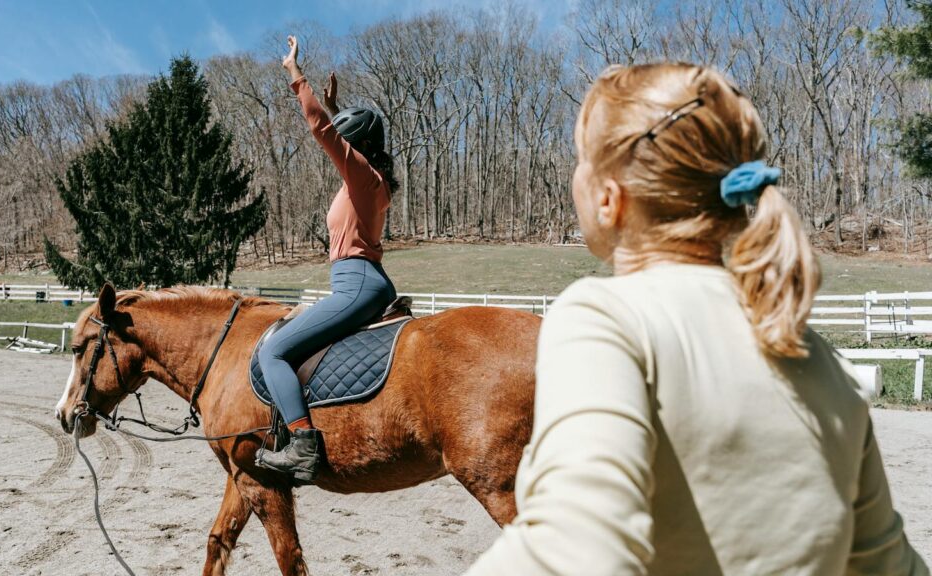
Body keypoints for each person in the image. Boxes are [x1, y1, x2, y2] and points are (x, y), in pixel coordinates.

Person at [465, 63, 929, 575]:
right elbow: (891, 565)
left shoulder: (606, 319)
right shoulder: (821, 359)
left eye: (581, 159)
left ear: (608, 199)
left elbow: (575, 552)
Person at [255, 35, 399, 483]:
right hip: (365, 281)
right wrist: (341, 112)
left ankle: (301, 445)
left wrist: (295, 74)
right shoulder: (373, 178)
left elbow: (322, 130)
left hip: (355, 284)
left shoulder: (362, 177)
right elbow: (343, 137)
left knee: (274, 352)